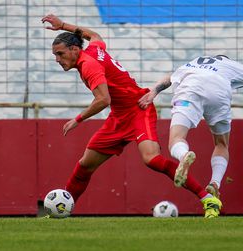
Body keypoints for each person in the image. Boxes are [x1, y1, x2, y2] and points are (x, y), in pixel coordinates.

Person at [41, 14, 222, 218]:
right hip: (118, 117)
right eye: (56, 55)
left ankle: (208, 200)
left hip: (138, 109)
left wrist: (78, 119)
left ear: (74, 50)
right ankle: (63, 210)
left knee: (152, 159)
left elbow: (103, 100)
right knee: (85, 164)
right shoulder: (94, 49)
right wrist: (63, 26)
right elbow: (94, 35)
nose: (57, 59)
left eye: (60, 54)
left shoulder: (89, 65)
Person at [139, 55, 243, 198]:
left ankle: (183, 155)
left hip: (190, 89)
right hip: (218, 92)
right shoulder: (233, 66)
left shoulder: (195, 62)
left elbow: (169, 78)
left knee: (177, 138)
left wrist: (153, 92)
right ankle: (215, 183)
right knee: (221, 144)